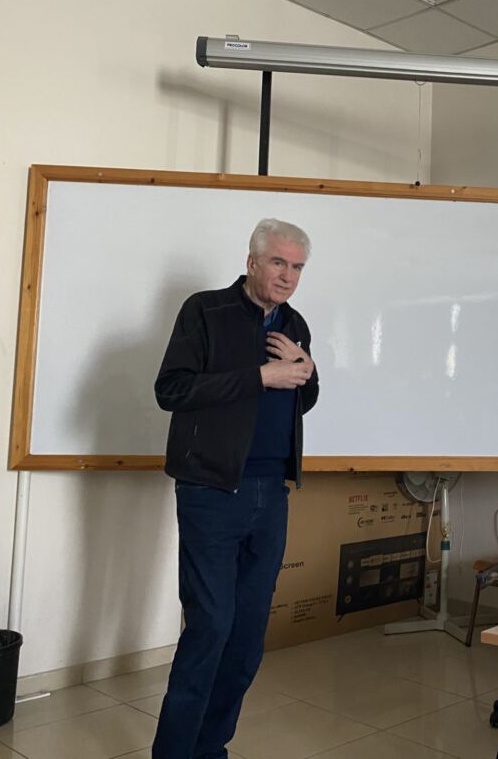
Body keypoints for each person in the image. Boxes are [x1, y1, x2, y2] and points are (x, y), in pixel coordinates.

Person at [151, 218, 319, 759]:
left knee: (246, 640)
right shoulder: (205, 311)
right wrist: (261, 376)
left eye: (297, 267)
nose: (288, 275)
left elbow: (301, 398)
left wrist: (307, 371)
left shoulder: (295, 324)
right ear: (252, 262)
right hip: (211, 491)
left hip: (272, 494)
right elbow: (171, 389)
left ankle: (210, 749)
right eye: (278, 262)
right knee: (210, 629)